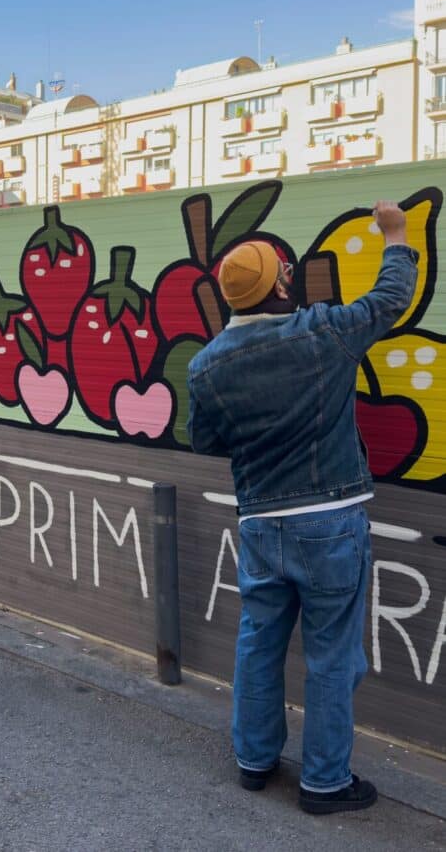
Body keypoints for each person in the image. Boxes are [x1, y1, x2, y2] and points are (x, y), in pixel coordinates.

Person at [186, 201, 416, 815]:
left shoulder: (206, 366)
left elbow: (205, 440)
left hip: (260, 524)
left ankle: (255, 762)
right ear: (281, 283)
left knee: (258, 642)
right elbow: (391, 298)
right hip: (329, 523)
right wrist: (394, 233)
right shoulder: (323, 333)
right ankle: (324, 783)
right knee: (332, 657)